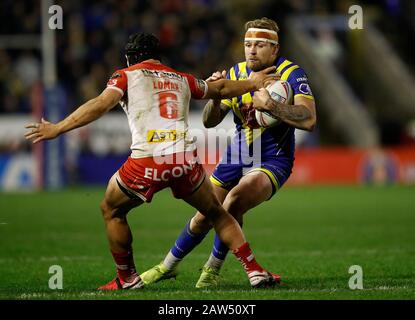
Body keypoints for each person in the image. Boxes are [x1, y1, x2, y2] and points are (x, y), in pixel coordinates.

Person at [24, 33, 280, 290]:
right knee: (216, 213)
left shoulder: (124, 75)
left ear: (129, 58)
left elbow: (101, 104)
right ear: (158, 57)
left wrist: (58, 128)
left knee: (111, 210)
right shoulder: (181, 77)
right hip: (183, 159)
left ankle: (127, 278)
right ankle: (254, 270)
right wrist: (252, 83)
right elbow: (220, 89)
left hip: (148, 160)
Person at [140, 17, 316, 288]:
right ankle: (167, 266)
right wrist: (216, 96)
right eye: (248, 44)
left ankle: (211, 270)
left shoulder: (292, 74)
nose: (252, 50)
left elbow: (309, 118)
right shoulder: (234, 75)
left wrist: (272, 106)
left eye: (259, 44)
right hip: (235, 158)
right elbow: (210, 120)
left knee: (233, 202)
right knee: (202, 217)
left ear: (275, 49)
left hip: (272, 159)